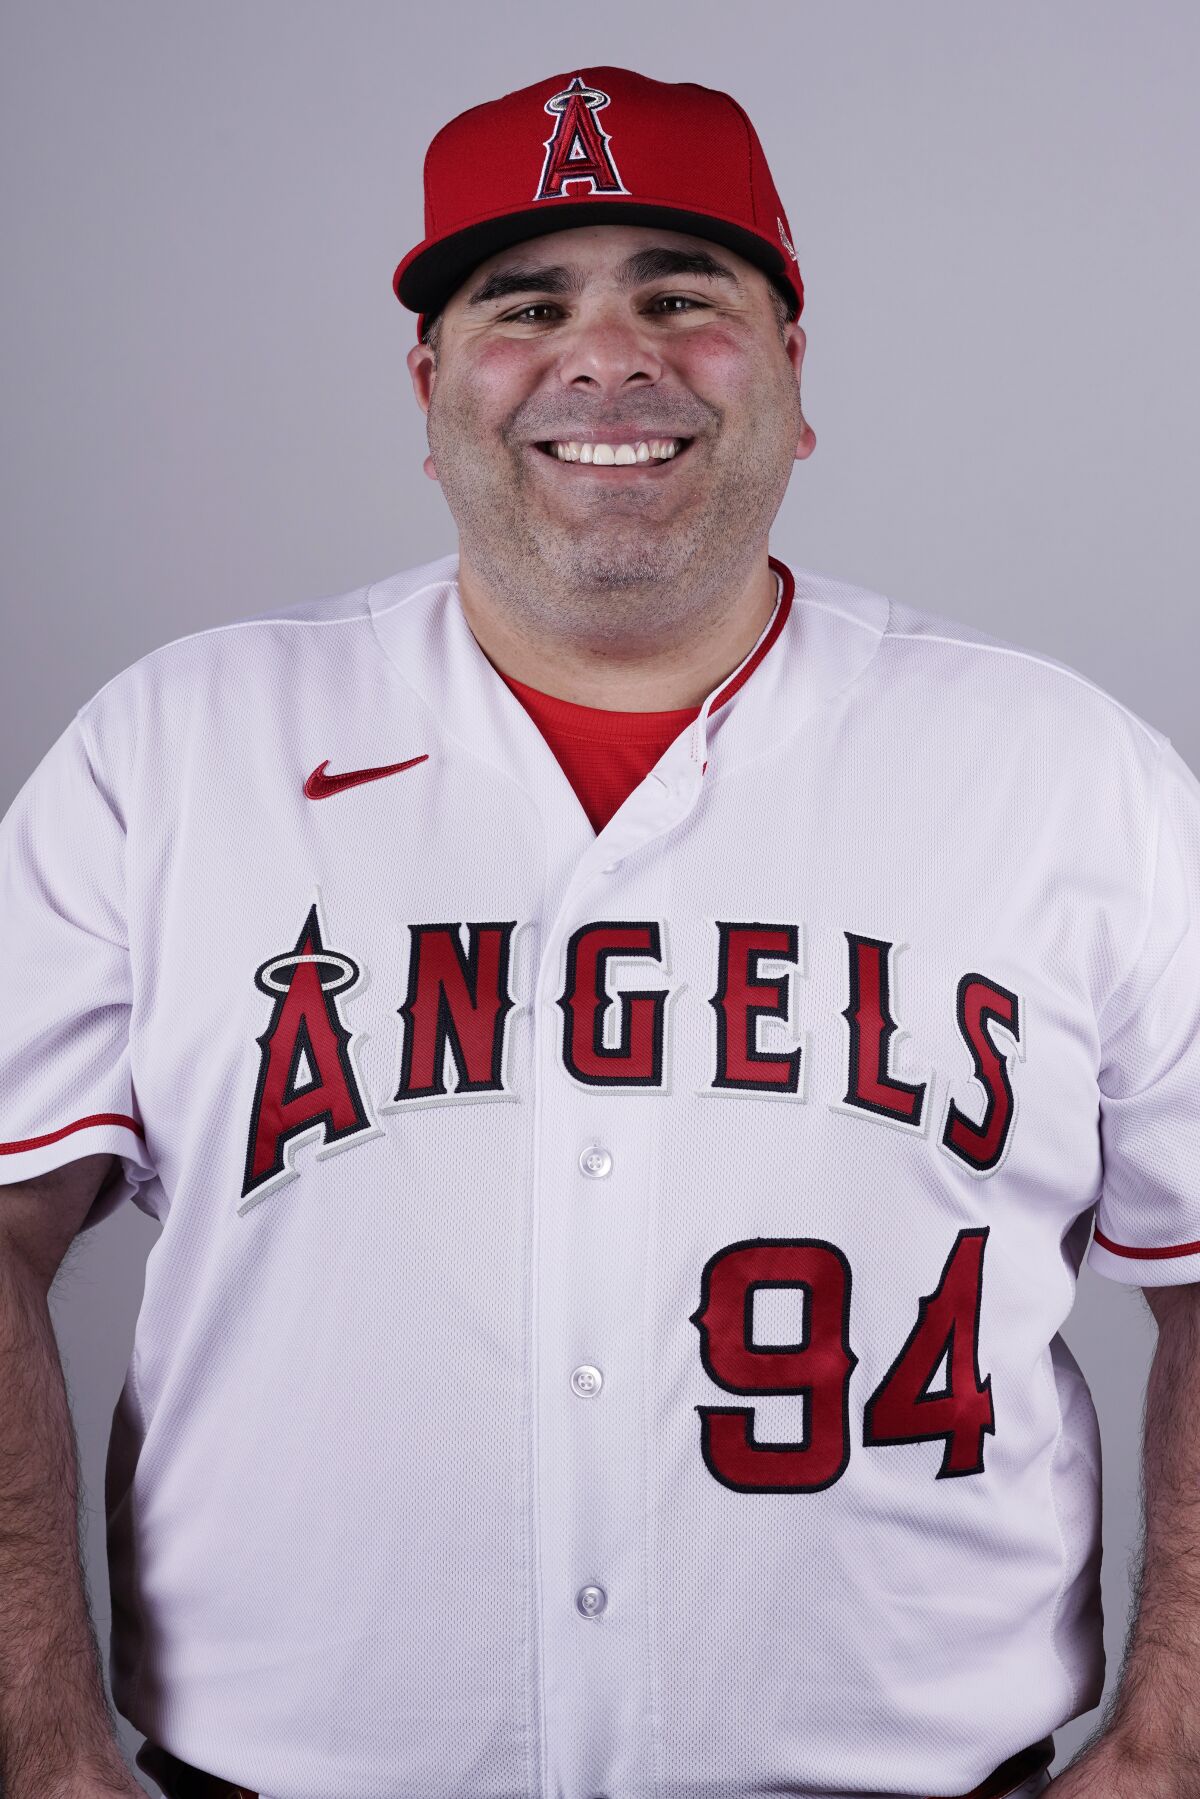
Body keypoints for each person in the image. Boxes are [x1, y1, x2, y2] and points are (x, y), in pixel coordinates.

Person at [0, 62, 1198, 1799]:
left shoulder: (1060, 769)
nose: (606, 356)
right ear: (430, 391)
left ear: (794, 374)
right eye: (526, 303)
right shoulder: (176, 750)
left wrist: (1170, 1740)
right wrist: (37, 1746)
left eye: (684, 298)